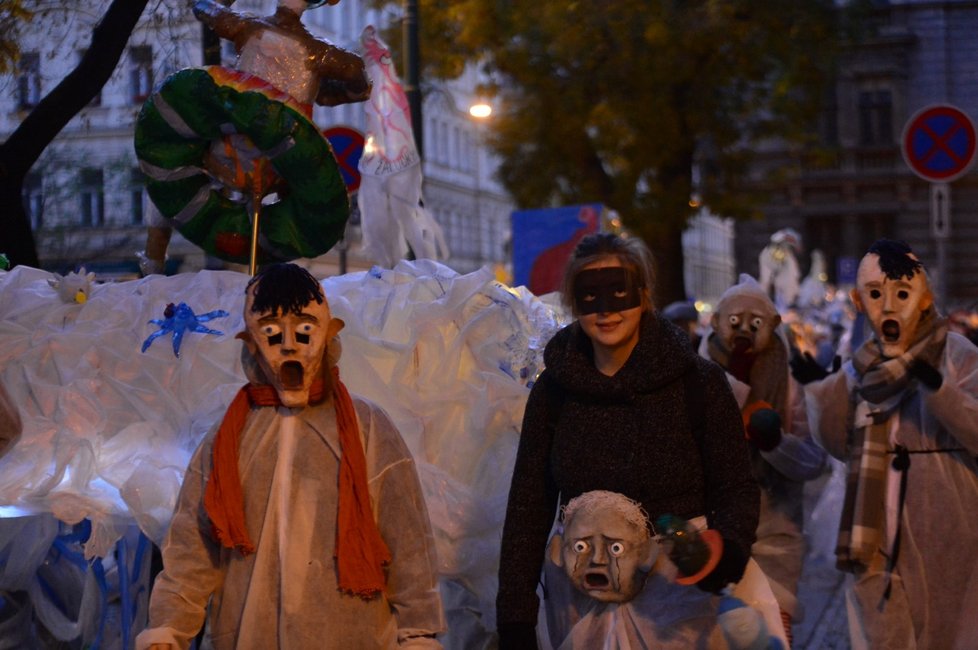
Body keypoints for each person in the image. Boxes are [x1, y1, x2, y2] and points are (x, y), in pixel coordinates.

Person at [135, 263, 445, 649]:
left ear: (329, 335)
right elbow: (192, 547)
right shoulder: (229, 438)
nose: (288, 345)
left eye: (303, 331)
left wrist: (418, 634)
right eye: (270, 332)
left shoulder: (368, 429)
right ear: (250, 342)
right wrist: (169, 628)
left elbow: (408, 541)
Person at [496, 232, 761, 648]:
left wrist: (728, 550)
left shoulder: (699, 384)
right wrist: (515, 614)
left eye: (618, 292)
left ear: (643, 294)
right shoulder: (554, 392)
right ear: (572, 299)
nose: (605, 310)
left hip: (679, 604)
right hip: (580, 601)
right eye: (589, 295)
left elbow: (735, 484)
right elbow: (529, 504)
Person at [804, 239, 978, 649]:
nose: (889, 305)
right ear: (859, 300)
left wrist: (939, 391)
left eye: (901, 293)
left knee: (951, 631)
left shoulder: (957, 354)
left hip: (950, 522)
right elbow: (837, 443)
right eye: (876, 294)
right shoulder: (860, 366)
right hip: (875, 524)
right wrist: (820, 394)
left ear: (923, 300)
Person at [699, 274, 827, 643]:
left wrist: (774, 442)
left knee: (772, 632)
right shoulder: (696, 374)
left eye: (755, 324)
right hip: (715, 531)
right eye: (734, 322)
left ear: (772, 325)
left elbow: (813, 460)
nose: (743, 331)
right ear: (717, 320)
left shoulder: (791, 379)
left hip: (776, 531)